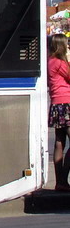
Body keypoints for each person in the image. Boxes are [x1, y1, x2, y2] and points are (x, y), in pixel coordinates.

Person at [47, 33, 70, 191]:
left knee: (59, 142)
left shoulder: (49, 62)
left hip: (56, 104)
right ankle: (64, 178)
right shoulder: (60, 63)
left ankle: (59, 182)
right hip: (67, 103)